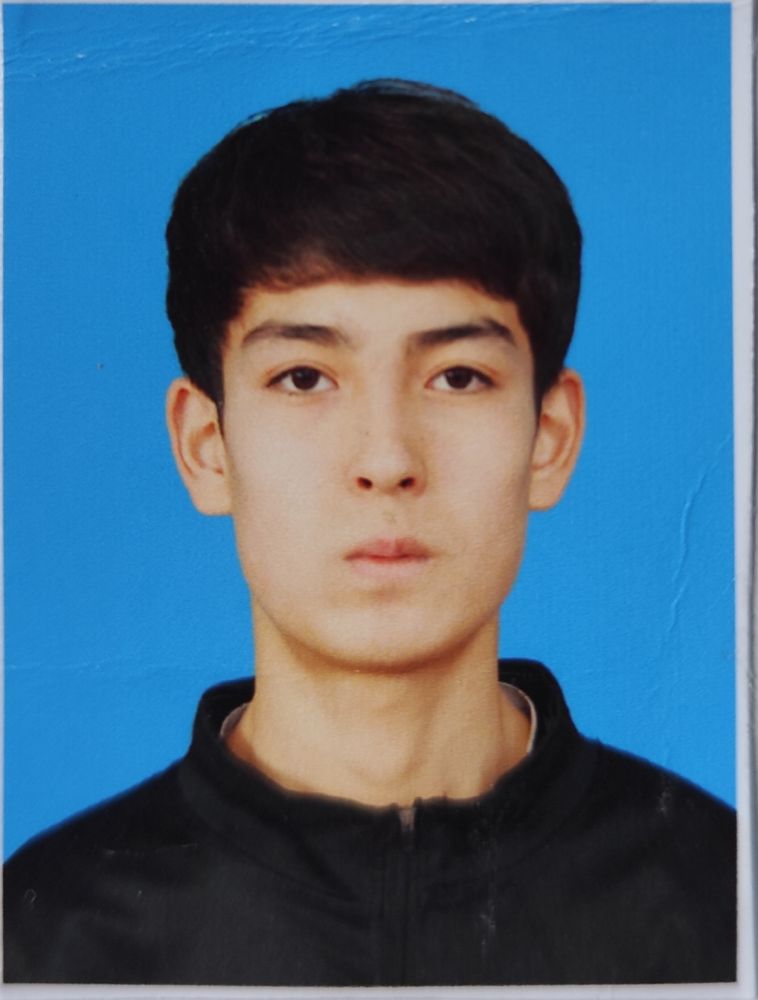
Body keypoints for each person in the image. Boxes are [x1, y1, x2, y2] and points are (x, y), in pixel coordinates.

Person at [3, 79, 735, 987]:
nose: (387, 460)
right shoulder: (42, 933)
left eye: (458, 377)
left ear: (549, 437)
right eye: (304, 378)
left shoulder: (724, 899)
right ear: (206, 447)